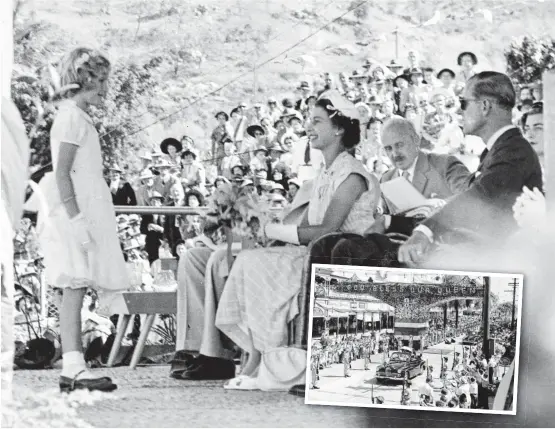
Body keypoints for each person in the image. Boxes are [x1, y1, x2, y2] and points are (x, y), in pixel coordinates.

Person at [214, 91, 381, 390]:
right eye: (307, 120)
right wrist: (264, 228)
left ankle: (265, 362)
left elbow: (328, 230)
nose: (307, 127)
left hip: (338, 255)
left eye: (317, 121)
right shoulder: (323, 174)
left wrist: (272, 231)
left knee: (255, 263)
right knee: (251, 258)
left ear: (339, 128)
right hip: (310, 253)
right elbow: (304, 227)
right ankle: (257, 357)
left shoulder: (353, 175)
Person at [36, 48, 128, 392]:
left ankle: (75, 364)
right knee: (73, 285)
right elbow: (62, 174)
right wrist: (76, 219)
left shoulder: (78, 116)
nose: (106, 88)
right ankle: (73, 365)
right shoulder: (71, 117)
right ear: (87, 79)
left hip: (85, 209)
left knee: (77, 286)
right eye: (102, 80)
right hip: (73, 213)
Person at [399, 71, 543, 266]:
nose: (459, 111)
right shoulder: (500, 149)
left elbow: (478, 197)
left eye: (464, 103)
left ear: (485, 106)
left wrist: (425, 231)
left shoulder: (513, 151)